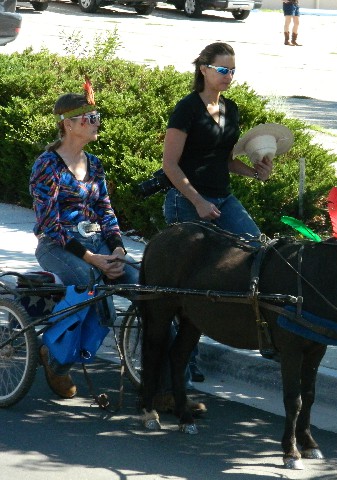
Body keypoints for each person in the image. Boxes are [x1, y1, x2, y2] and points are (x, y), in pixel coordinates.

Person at [159, 42, 274, 412]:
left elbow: (223, 160)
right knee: (184, 289)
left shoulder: (231, 109)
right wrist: (196, 201)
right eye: (223, 70)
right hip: (187, 201)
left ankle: (263, 335)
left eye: (233, 71)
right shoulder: (187, 108)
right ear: (204, 69)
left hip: (222, 199)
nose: (229, 77)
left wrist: (255, 172)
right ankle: (180, 371)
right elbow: (170, 166)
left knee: (258, 251)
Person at [29, 85, 138, 400]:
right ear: (68, 124)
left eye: (96, 116)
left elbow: (105, 210)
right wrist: (93, 259)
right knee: (93, 286)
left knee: (144, 283)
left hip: (99, 244)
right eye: (88, 118)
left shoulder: (94, 162)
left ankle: (160, 376)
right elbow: (50, 225)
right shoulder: (47, 165)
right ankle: (56, 360)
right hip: (58, 246)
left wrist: (117, 249)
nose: (95, 122)